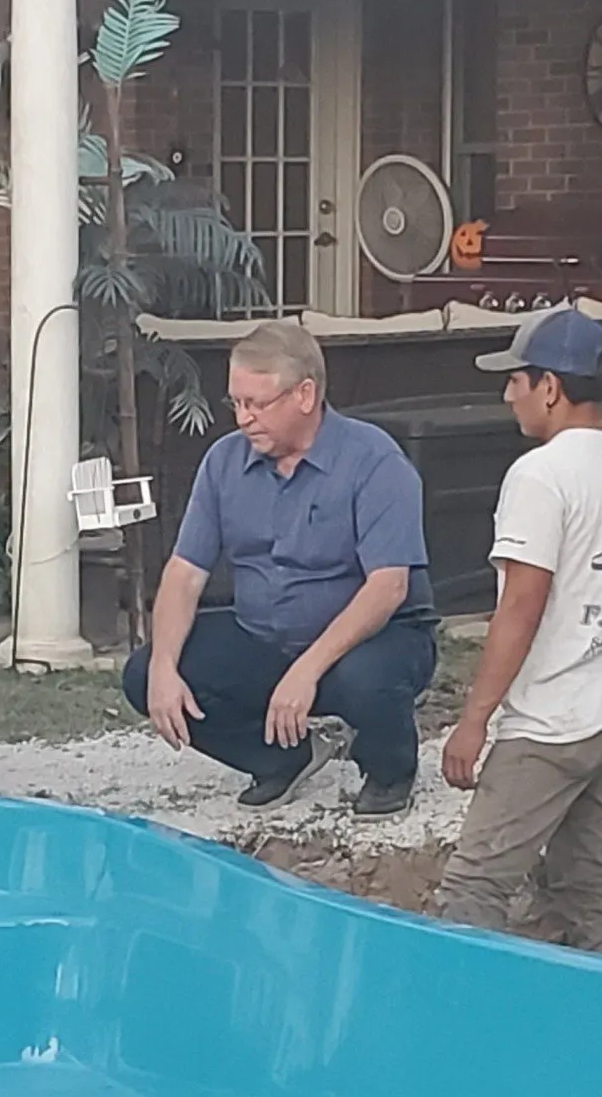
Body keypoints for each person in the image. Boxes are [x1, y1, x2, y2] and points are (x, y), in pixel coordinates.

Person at [123, 320, 436, 817]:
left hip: (370, 639)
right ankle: (281, 758)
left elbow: (388, 587)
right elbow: (184, 573)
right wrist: (163, 668)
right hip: (263, 635)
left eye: (256, 404)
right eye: (236, 403)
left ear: (305, 395)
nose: (243, 419)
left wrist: (307, 671)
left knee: (365, 679)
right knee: (144, 673)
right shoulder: (222, 463)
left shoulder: (375, 460)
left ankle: (389, 769)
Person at [434, 305, 602, 954]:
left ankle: (456, 1023)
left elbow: (521, 605)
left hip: (550, 723)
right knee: (583, 883)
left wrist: (475, 719)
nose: (508, 391)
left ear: (552, 386)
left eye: (519, 377)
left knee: (474, 888)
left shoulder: (540, 475)